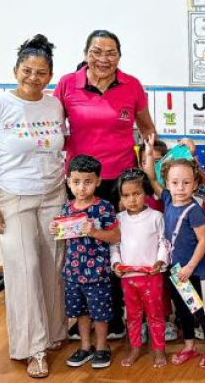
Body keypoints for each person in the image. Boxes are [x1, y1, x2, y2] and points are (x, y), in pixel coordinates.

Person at [0, 34, 66, 378]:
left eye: (41, 72)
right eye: (27, 70)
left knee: (52, 268)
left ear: (50, 75)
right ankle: (33, 348)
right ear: (15, 70)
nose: (33, 77)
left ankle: (55, 333)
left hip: (54, 195)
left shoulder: (54, 104)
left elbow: (60, 147)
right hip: (13, 197)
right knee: (23, 270)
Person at [54, 29, 156, 340]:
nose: (103, 58)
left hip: (119, 181)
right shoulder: (67, 85)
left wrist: (154, 167)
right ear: (86, 54)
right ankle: (82, 319)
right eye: (97, 52)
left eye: (111, 53)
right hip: (81, 182)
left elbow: (147, 129)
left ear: (119, 57)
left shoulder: (132, 85)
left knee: (114, 244)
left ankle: (113, 319)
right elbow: (54, 129)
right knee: (82, 248)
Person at [143, 136, 205, 369]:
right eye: (175, 183)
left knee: (201, 310)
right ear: (168, 183)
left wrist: (190, 268)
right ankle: (188, 346)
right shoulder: (166, 198)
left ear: (195, 184)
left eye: (186, 183)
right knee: (183, 311)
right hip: (175, 271)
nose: (180, 188)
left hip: (194, 272)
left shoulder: (194, 210)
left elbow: (203, 240)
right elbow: (151, 177)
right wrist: (147, 154)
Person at [51, 155, 120, 370]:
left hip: (97, 272)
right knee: (80, 312)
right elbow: (64, 237)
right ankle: (85, 346)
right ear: (68, 181)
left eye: (88, 182)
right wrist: (55, 230)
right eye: (76, 182)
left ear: (98, 181)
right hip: (73, 272)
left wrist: (95, 232)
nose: (81, 188)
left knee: (100, 313)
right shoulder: (66, 209)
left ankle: (101, 347)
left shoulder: (104, 208)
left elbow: (115, 237)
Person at [109, 169, 168, 368]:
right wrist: (116, 264)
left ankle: (159, 350)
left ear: (146, 193)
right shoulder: (119, 219)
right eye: (126, 195)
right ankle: (135, 347)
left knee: (155, 314)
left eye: (137, 193)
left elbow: (163, 243)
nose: (132, 199)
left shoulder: (156, 217)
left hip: (152, 276)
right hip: (128, 277)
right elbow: (114, 246)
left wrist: (160, 262)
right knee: (133, 315)